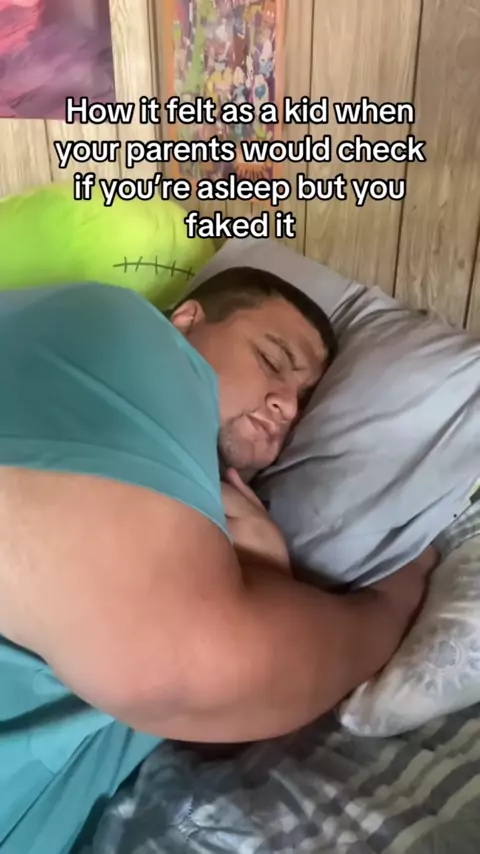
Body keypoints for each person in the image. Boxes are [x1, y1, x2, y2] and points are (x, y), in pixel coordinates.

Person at [0, 268, 436, 854]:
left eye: (304, 402)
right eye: (272, 360)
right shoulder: (117, 325)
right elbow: (178, 665)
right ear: (186, 320)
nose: (286, 405)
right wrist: (391, 604)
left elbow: (200, 720)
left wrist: (258, 582)